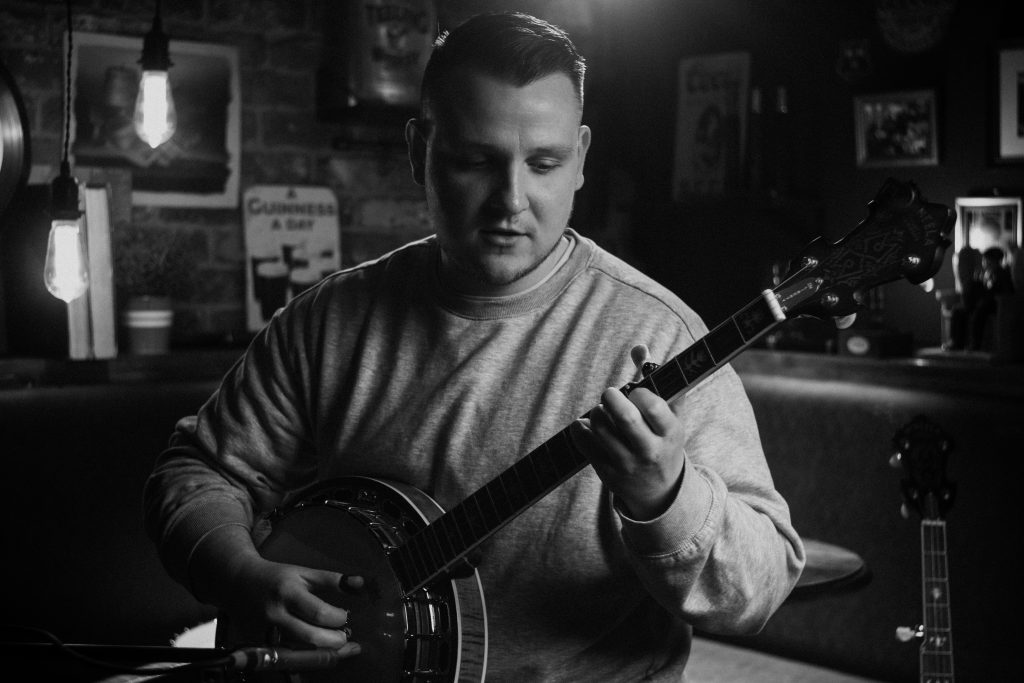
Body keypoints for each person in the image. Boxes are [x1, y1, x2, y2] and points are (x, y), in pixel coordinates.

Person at [144, 11, 805, 680]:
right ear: (418, 150)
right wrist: (240, 573)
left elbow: (760, 587)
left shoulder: (661, 334)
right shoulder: (329, 320)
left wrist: (666, 495)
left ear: (580, 159)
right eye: (475, 161)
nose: (510, 200)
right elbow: (198, 472)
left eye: (543, 163)